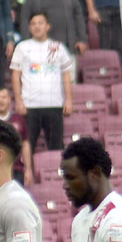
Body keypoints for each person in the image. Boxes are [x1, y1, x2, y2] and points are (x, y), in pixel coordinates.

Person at [8, 9, 73, 152]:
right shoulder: (22, 47)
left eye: (40, 23)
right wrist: (18, 101)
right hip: (30, 106)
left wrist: (68, 100)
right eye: (33, 24)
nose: (37, 27)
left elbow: (66, 75)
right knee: (26, 147)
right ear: (29, 27)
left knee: (56, 148)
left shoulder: (58, 47)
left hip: (54, 104)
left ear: (48, 26)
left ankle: (56, 174)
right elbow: (15, 76)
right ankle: (26, 174)